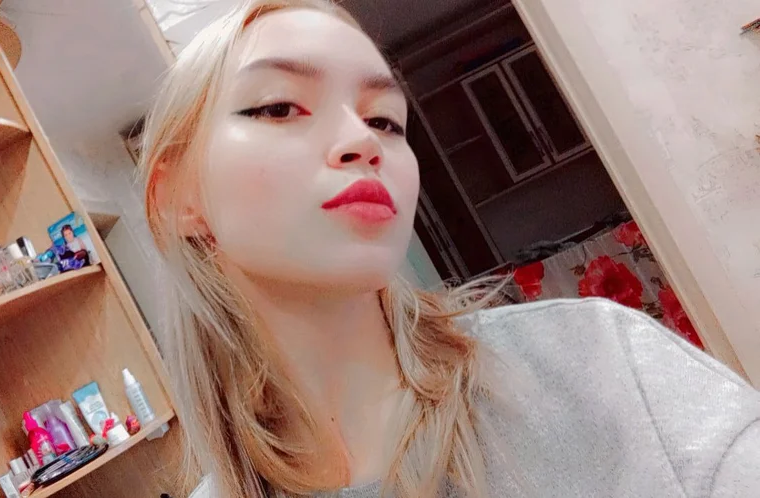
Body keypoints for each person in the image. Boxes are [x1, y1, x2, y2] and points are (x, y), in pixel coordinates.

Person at [139, 1, 760, 497]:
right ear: (177, 199)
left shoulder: (600, 361)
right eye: (279, 107)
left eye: (384, 120)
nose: (363, 140)